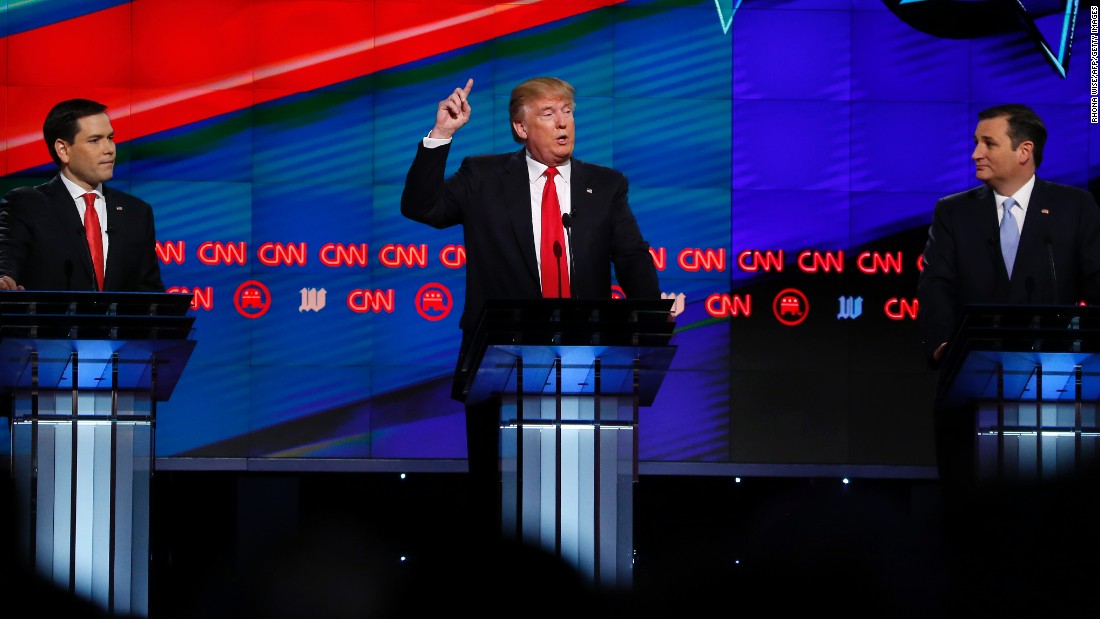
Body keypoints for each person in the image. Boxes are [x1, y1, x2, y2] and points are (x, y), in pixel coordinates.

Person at [401, 77, 662, 538]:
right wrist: (441, 133)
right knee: (499, 501)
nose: (563, 122)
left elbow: (631, 257)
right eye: (548, 113)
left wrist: (650, 311)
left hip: (586, 363)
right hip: (500, 365)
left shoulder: (604, 185)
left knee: (583, 502)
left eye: (568, 111)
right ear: (521, 128)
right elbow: (423, 208)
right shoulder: (482, 177)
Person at [917, 103, 1100, 491]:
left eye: (988, 143)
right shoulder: (954, 213)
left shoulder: (1074, 208)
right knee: (970, 499)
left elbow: (1096, 282)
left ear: (1023, 151)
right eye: (975, 142)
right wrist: (944, 347)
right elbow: (936, 285)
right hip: (971, 380)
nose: (975, 154)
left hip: (1055, 381)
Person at [0, 98, 164, 293]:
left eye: (110, 138)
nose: (109, 149)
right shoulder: (28, 204)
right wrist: (4, 278)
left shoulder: (136, 212)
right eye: (95, 140)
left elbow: (150, 295)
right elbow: (7, 257)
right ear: (63, 150)